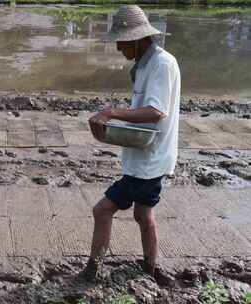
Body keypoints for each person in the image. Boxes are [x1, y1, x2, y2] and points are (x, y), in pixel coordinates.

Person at [85, 5, 181, 280]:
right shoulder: (147, 63)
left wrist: (111, 112)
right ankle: (152, 267)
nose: (118, 48)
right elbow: (145, 111)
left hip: (149, 161)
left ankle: (93, 270)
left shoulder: (161, 64)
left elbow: (155, 112)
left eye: (121, 41)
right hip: (148, 156)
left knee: (102, 210)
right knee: (143, 214)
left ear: (137, 39)